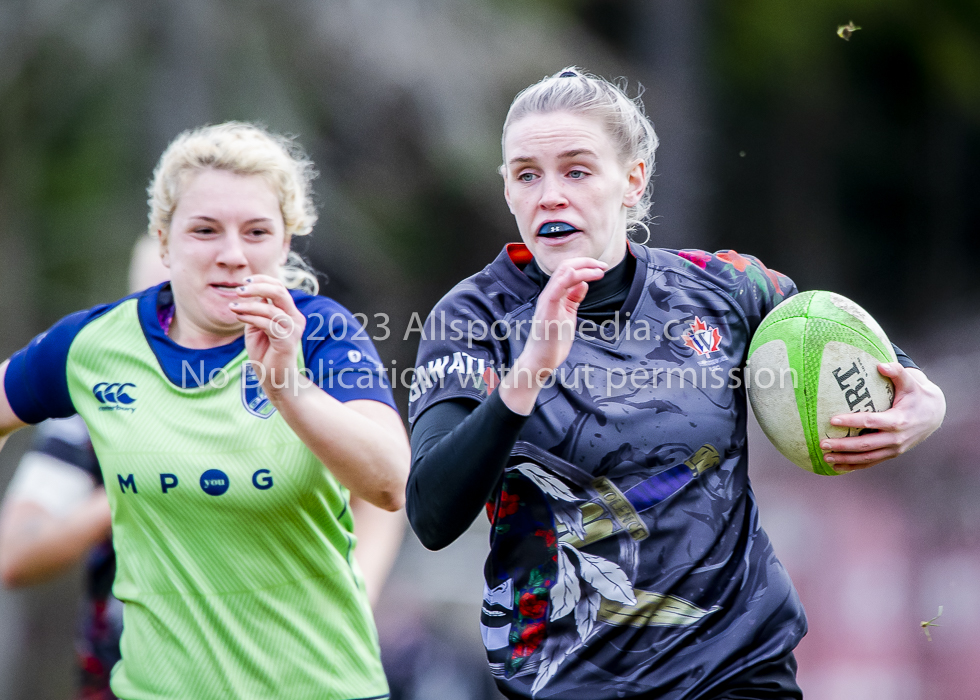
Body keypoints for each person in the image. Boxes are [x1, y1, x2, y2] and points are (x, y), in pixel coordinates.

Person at [405, 68, 946, 700]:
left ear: (632, 180)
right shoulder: (473, 317)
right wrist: (530, 373)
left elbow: (831, 337)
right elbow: (432, 514)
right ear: (508, 190)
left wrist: (922, 396)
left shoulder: (721, 288)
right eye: (527, 174)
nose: (550, 195)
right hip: (570, 682)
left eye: (576, 170)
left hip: (740, 668)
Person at [0, 121, 410, 699]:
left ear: (285, 243)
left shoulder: (320, 332)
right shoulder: (95, 345)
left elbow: (391, 484)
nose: (233, 255)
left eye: (257, 231)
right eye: (205, 230)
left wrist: (289, 388)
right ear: (163, 240)